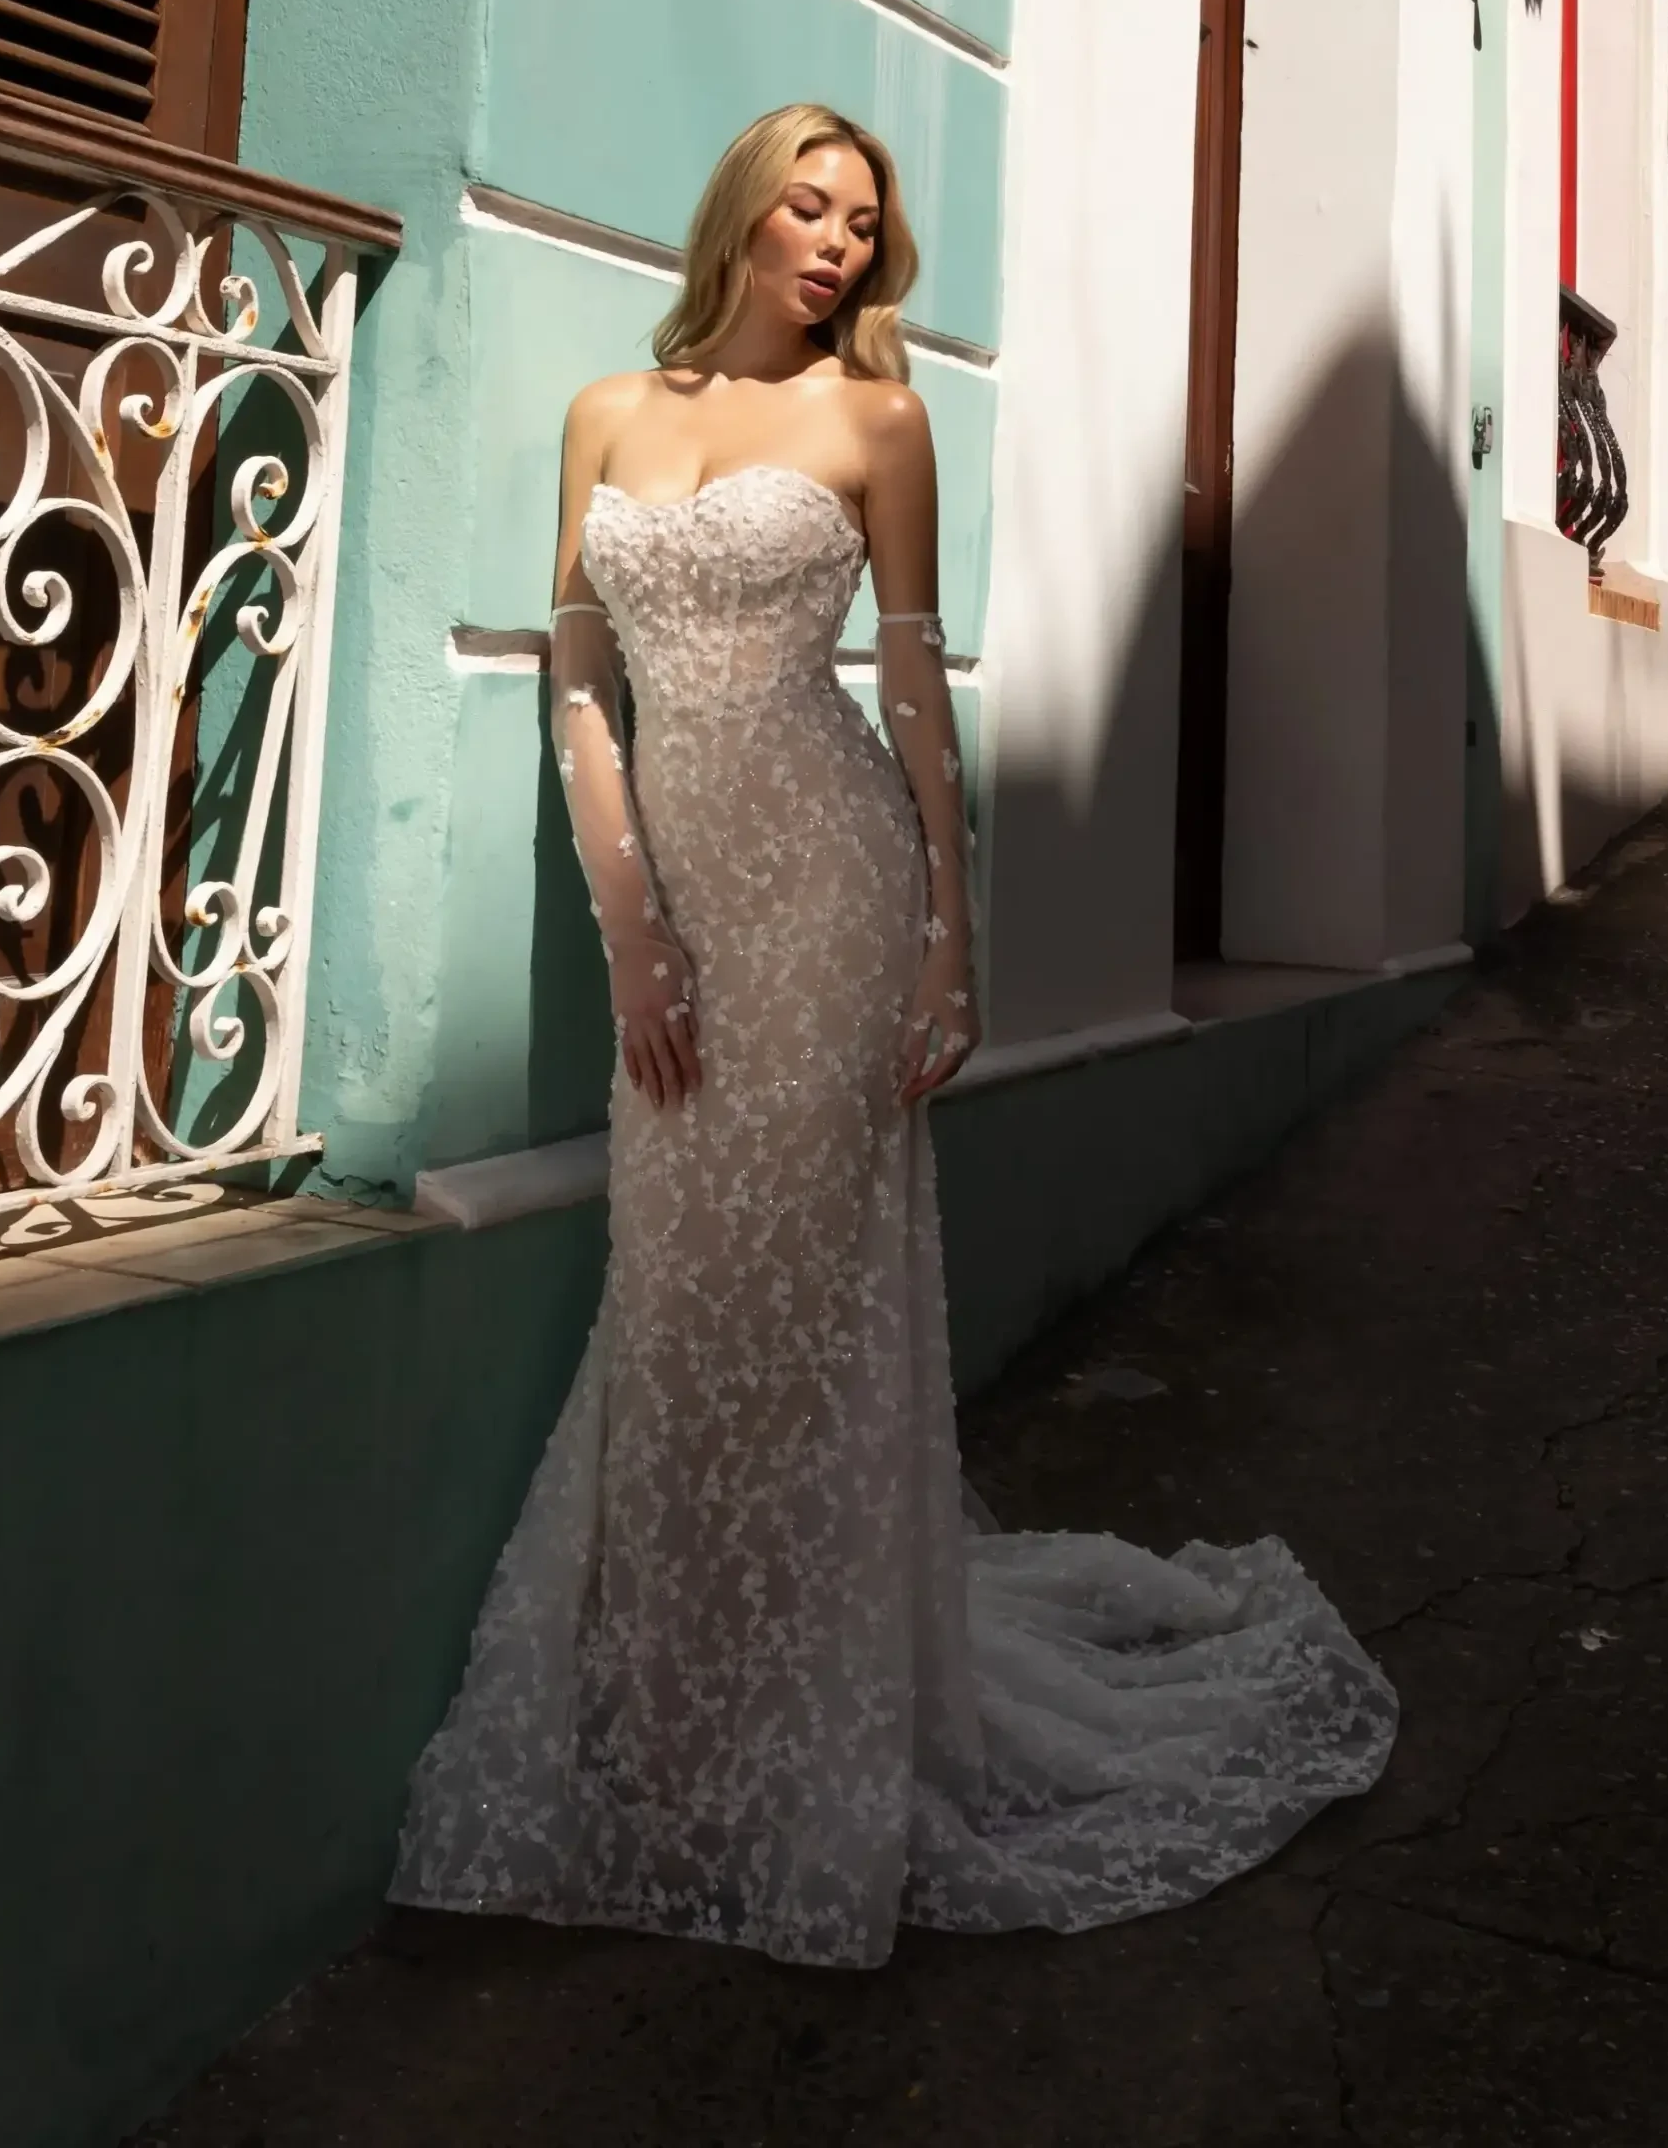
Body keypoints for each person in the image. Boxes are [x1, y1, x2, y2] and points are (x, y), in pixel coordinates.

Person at [391, 104, 1397, 1964]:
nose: (839, 242)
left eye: (862, 221)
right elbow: (581, 687)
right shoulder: (607, 414)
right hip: (686, 913)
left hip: (834, 890)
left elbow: (914, 677)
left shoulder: (879, 422)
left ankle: (816, 1727)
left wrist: (950, 937)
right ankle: (685, 1719)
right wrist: (631, 933)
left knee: (804, 1309)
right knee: (682, 1302)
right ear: (743, 212)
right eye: (810, 205)